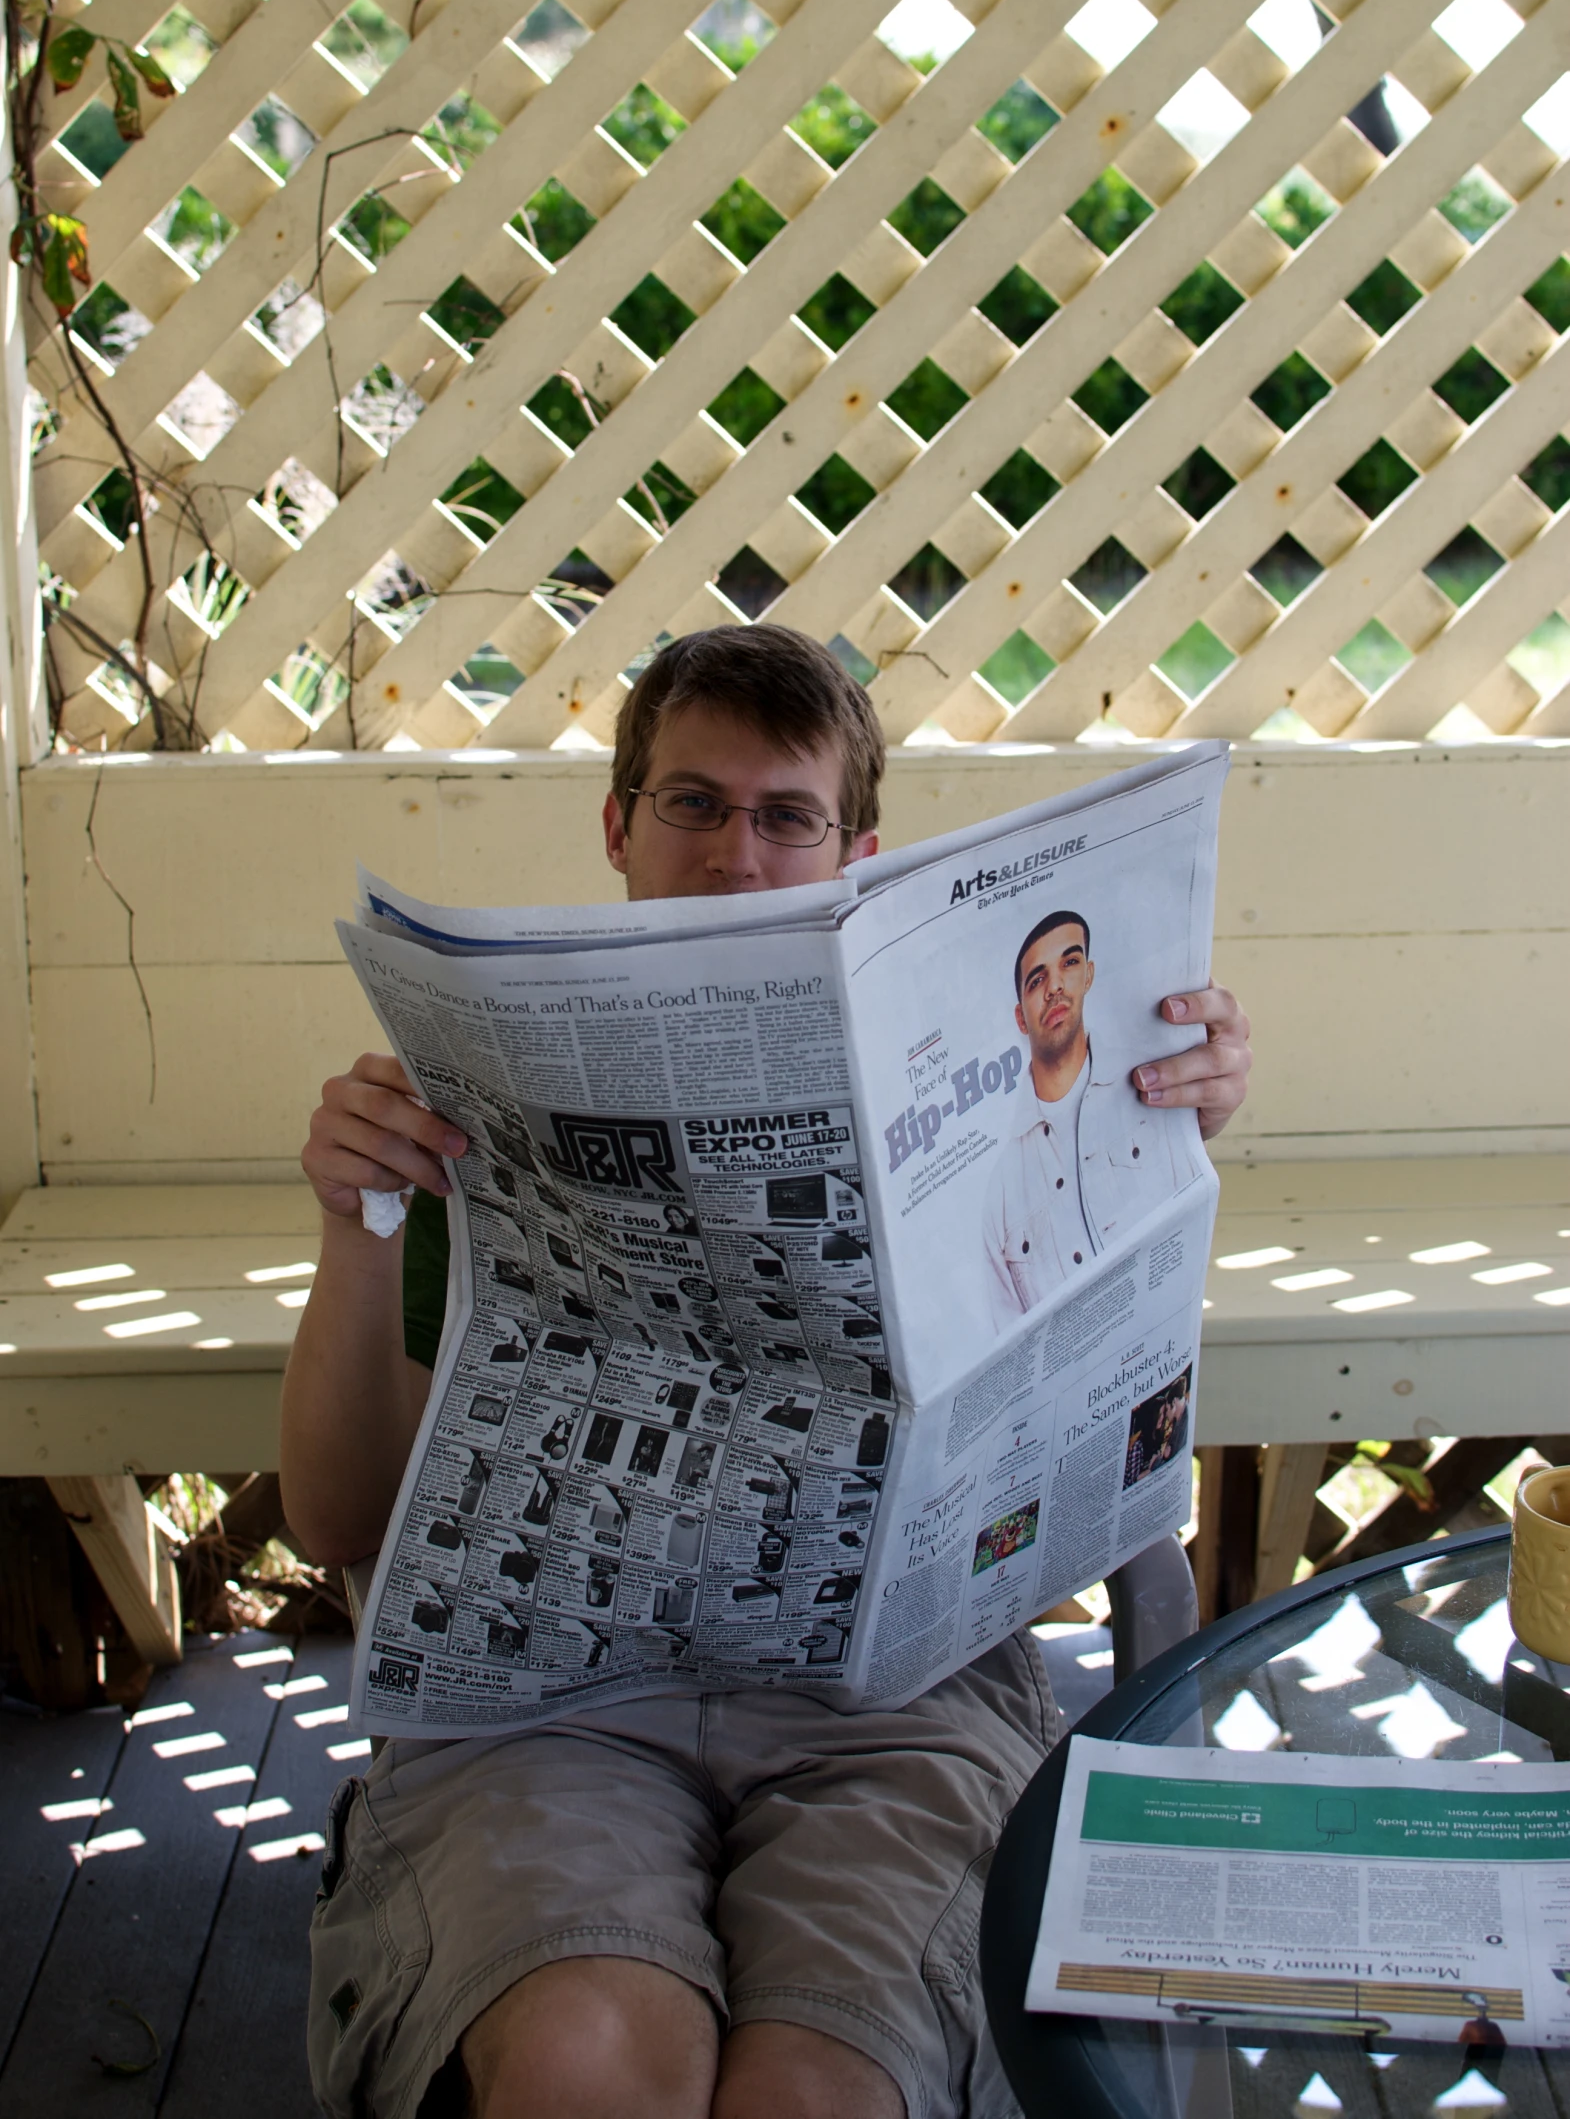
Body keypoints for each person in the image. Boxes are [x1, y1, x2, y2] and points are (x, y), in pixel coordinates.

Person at [283, 625, 1252, 2119]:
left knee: (824, 2094)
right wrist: (358, 1227)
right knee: (582, 2064)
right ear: (617, 825)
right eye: (691, 803)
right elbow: (338, 1519)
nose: (737, 854)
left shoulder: (995, 1076)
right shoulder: (467, 1084)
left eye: (785, 815)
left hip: (893, 1702)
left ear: (856, 848)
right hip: (557, 1700)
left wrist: (1158, 1127)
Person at [982, 912, 1210, 1331]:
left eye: (1069, 963)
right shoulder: (998, 1191)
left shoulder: (1155, 1097)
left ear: (1088, 975)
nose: (1054, 988)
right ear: (1020, 1017)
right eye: (1037, 981)